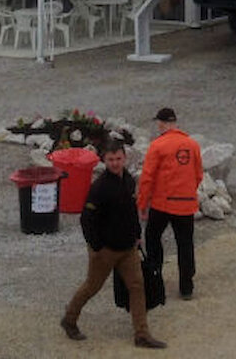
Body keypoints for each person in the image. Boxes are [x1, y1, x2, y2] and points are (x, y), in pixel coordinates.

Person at [61, 141, 167, 349]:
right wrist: (97, 247)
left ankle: (141, 334)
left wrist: (137, 235)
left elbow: (131, 211)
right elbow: (86, 219)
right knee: (92, 287)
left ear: (124, 158)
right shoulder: (99, 188)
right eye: (111, 160)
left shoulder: (128, 180)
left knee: (137, 286)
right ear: (104, 160)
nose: (115, 163)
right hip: (106, 250)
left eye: (118, 159)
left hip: (128, 248)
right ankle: (69, 319)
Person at [137, 107, 203, 301]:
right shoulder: (192, 145)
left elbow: (147, 178)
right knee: (185, 244)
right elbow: (198, 175)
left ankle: (155, 278)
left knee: (153, 237)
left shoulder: (157, 145)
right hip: (186, 204)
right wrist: (188, 192)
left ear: (161, 123)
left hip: (162, 204)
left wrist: (143, 203)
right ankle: (186, 286)